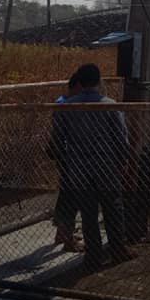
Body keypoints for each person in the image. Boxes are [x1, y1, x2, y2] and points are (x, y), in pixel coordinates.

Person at [52, 63, 133, 272]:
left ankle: (93, 257)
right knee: (113, 209)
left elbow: (57, 139)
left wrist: (65, 162)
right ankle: (118, 250)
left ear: (79, 81)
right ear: (99, 81)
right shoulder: (110, 105)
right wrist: (123, 162)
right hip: (106, 166)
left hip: (78, 167)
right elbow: (121, 138)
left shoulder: (66, 106)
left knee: (88, 214)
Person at [51, 72, 83, 251]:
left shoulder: (64, 102)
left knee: (66, 195)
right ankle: (67, 237)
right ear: (77, 86)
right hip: (68, 155)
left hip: (67, 154)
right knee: (71, 196)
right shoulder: (65, 104)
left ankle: (62, 232)